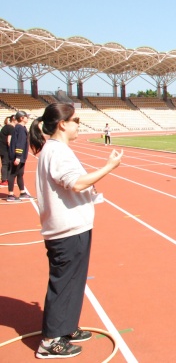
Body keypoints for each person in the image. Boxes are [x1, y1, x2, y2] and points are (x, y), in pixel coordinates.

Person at [29, 103, 123, 359]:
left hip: (71, 226)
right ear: (63, 124)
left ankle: (66, 326)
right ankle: (50, 341)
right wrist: (109, 167)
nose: (79, 125)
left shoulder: (55, 149)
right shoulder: (57, 151)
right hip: (66, 230)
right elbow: (76, 184)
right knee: (64, 283)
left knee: (73, 282)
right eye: (76, 121)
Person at [7, 111, 34, 201]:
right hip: (17, 156)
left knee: (20, 174)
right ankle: (10, 195)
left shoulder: (21, 128)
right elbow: (20, 143)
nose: (27, 118)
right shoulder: (20, 128)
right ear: (22, 118)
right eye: (26, 117)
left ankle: (22, 192)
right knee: (13, 174)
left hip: (20, 156)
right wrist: (18, 156)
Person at [0, 115, 16, 186]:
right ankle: (4, 180)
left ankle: (7, 179)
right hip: (5, 149)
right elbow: (9, 141)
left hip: (3, 148)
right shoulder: (11, 128)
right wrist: (13, 150)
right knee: (6, 164)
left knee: (7, 164)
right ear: (14, 120)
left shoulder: (7, 126)